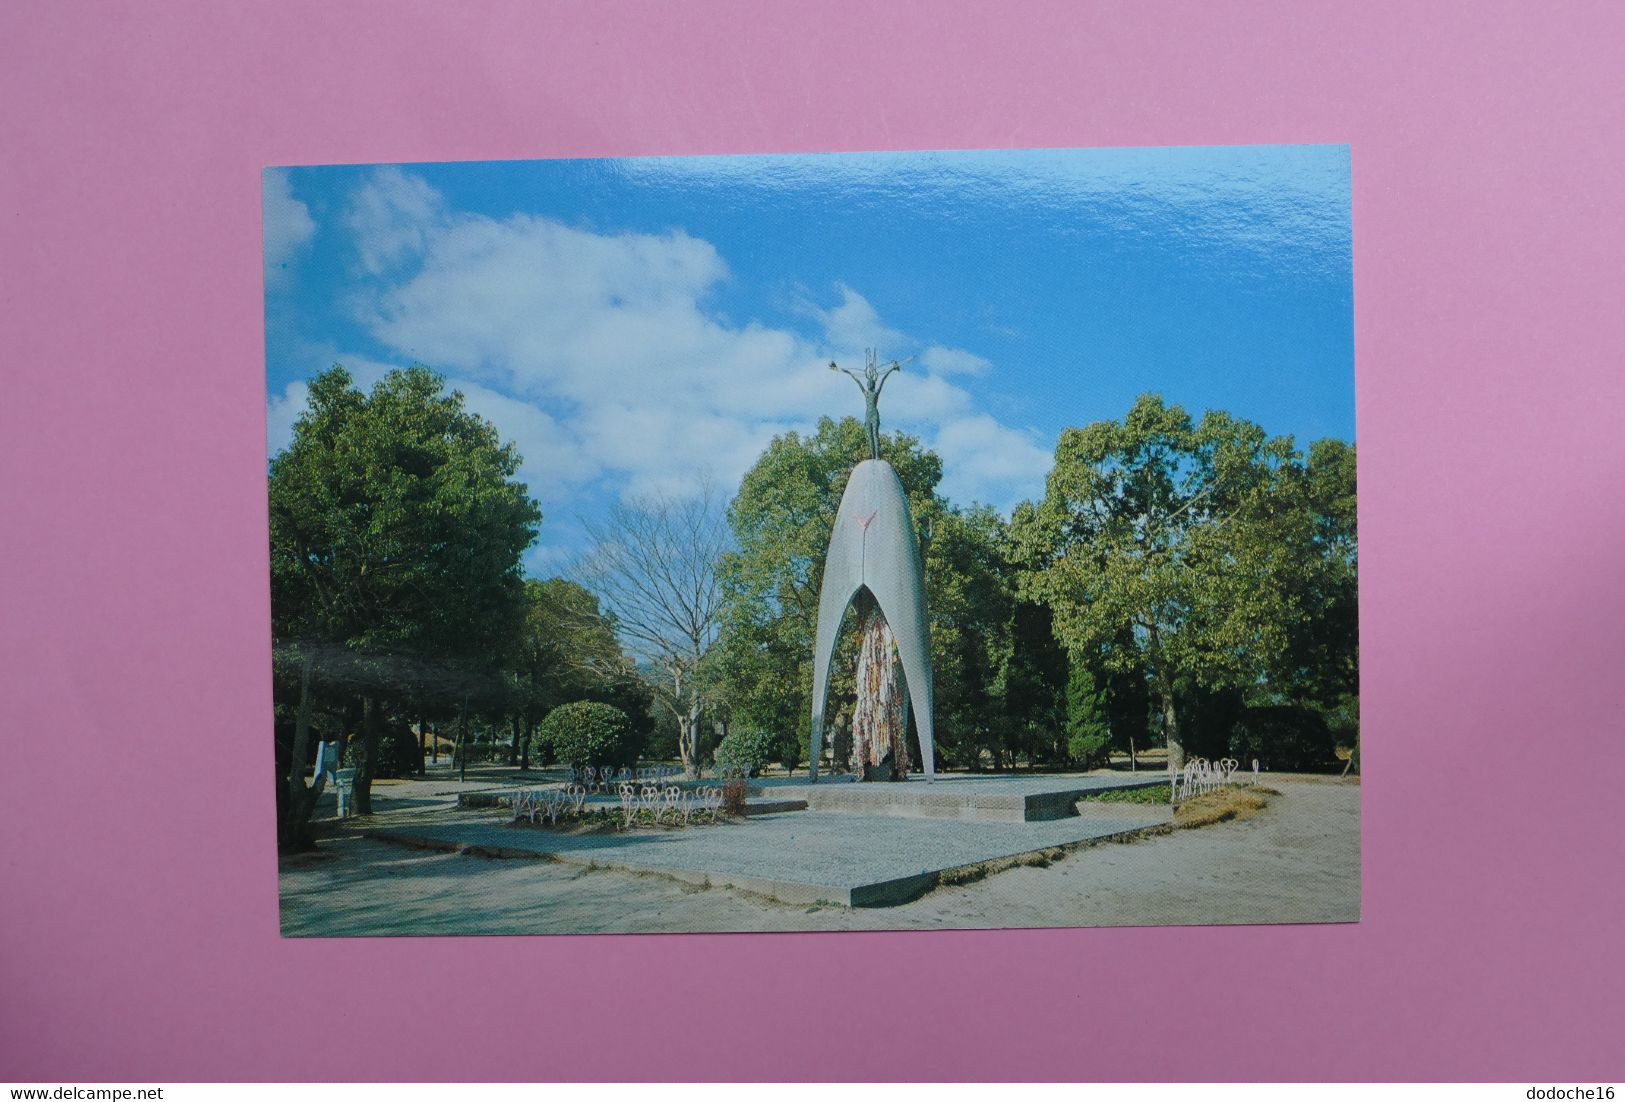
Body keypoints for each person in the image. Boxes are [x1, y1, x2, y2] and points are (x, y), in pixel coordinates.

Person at [830, 349, 902, 459]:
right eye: (868, 383)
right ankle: (873, 456)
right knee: (869, 437)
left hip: (874, 414)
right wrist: (847, 371)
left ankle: (877, 456)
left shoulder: (876, 393)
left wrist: (892, 369)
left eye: (870, 383)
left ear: (873, 384)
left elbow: (883, 379)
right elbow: (857, 380)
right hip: (867, 415)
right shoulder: (866, 393)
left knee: (875, 435)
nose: (868, 384)